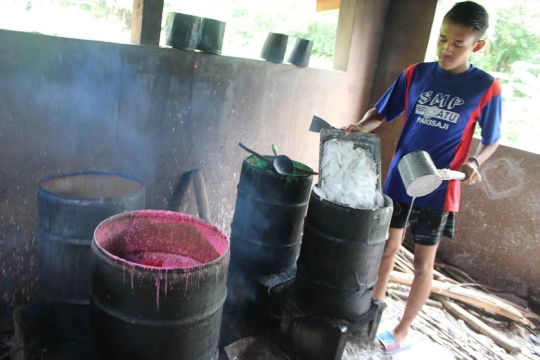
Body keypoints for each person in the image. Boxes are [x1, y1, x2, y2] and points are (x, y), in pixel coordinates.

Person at [345, 1, 502, 354]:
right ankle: (374, 311)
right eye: (443, 38)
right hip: (400, 180)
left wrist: (475, 162)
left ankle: (401, 331)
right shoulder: (416, 73)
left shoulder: (486, 88)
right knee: (387, 248)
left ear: (477, 45)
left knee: (421, 264)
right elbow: (381, 112)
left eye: (458, 43)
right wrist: (359, 127)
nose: (447, 48)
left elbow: (492, 139)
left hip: (439, 188)